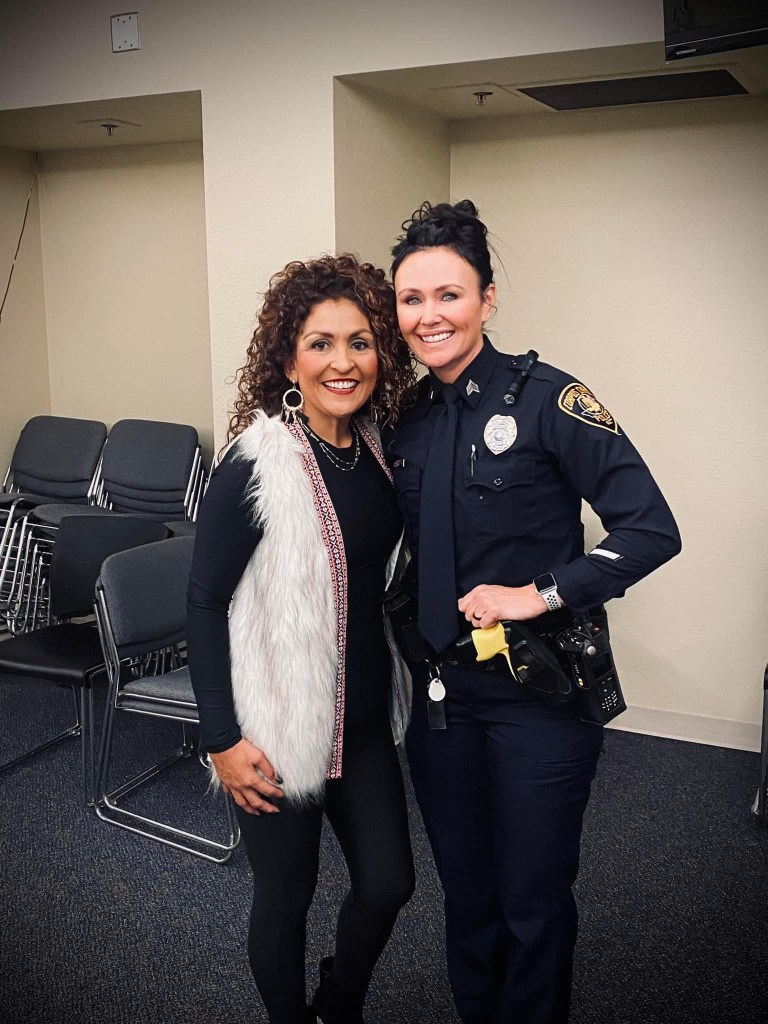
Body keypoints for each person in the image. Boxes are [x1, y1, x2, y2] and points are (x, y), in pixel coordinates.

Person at [384, 200, 682, 1024]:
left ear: (486, 299)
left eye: (449, 294)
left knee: (533, 897)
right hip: (442, 698)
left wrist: (538, 593)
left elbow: (651, 531)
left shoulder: (551, 399)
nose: (429, 315)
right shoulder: (404, 417)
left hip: (538, 699)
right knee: (466, 894)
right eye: (412, 299)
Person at [187, 253, 417, 1024]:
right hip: (279, 730)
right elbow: (203, 600)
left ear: (380, 354)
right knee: (286, 897)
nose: (342, 362)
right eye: (321, 344)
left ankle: (338, 1000)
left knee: (388, 884)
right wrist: (222, 740)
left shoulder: (378, 448)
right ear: (289, 361)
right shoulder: (258, 463)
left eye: (360, 342)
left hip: (366, 720)